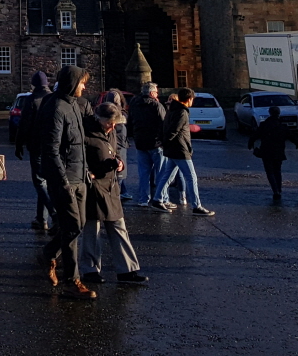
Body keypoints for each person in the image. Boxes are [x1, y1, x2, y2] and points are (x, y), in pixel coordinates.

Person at [39, 66, 95, 299]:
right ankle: (72, 281)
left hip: (79, 176)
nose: (84, 86)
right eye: (81, 82)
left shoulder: (74, 104)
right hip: (64, 180)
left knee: (75, 225)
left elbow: (79, 145)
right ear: (72, 83)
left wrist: (87, 171)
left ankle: (49, 253)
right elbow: (51, 150)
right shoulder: (55, 107)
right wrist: (62, 182)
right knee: (72, 226)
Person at [80, 103, 147, 286]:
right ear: (99, 119)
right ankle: (90, 269)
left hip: (110, 184)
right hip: (93, 186)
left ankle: (127, 269)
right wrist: (89, 174)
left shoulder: (109, 131)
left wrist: (119, 163)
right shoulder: (85, 132)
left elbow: (115, 151)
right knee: (92, 230)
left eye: (114, 123)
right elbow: (77, 158)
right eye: (109, 123)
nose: (112, 127)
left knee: (118, 226)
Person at [149, 87, 215, 216]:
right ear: (189, 99)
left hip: (172, 148)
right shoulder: (182, 112)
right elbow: (174, 130)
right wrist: (165, 142)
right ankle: (196, 206)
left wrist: (162, 141)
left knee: (167, 175)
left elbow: (165, 127)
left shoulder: (171, 109)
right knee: (191, 177)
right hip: (180, 149)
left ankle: (157, 199)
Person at [15, 70, 56, 230]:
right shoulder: (53, 98)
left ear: (33, 85)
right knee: (46, 182)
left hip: (36, 145)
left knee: (39, 182)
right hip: (53, 146)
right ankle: (41, 219)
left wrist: (19, 144)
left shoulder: (31, 99)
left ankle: (54, 214)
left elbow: (24, 124)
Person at [127, 82, 166, 209]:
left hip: (140, 142)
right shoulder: (156, 105)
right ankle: (161, 199)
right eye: (156, 92)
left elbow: (130, 122)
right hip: (156, 143)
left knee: (144, 174)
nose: (157, 94)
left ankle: (143, 199)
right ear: (151, 93)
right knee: (161, 173)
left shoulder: (134, 104)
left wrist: (133, 137)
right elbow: (163, 123)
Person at [247, 105, 296, 201]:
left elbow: (255, 135)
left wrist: (250, 143)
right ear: (279, 113)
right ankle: (279, 189)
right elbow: (292, 137)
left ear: (270, 113)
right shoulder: (282, 126)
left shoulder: (264, 125)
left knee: (270, 172)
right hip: (278, 152)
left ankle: (275, 190)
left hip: (267, 151)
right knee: (277, 171)